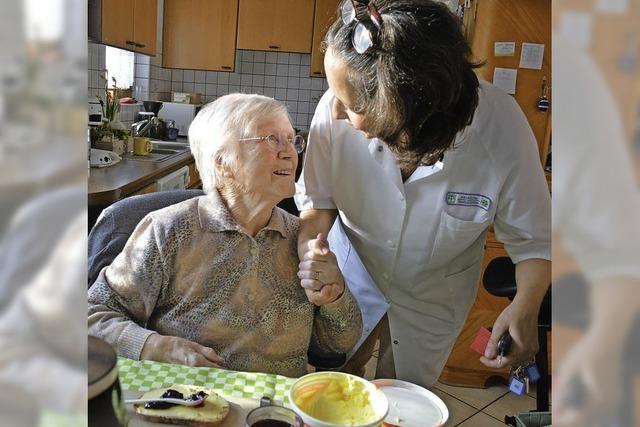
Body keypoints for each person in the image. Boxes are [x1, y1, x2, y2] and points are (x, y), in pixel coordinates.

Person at [295, 0, 551, 388]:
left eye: (353, 105)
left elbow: (535, 239)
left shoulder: (501, 128)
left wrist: (526, 304)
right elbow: (317, 201)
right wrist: (311, 252)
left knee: (405, 399)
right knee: (334, 390)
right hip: (348, 282)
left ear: (405, 109)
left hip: (433, 298)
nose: (335, 114)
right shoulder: (333, 110)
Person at [88, 93, 362, 378]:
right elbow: (93, 317)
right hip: (188, 402)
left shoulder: (301, 239)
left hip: (275, 410)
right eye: (271, 139)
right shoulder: (169, 231)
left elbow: (339, 342)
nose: (289, 152)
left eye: (292, 140)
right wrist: (154, 346)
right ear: (222, 162)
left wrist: (335, 296)